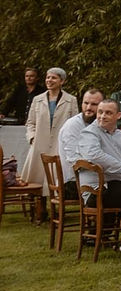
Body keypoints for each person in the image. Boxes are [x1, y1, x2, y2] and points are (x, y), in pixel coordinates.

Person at [23, 68, 79, 197]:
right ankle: (40, 209)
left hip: (58, 145)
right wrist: (32, 138)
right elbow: (30, 122)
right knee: (36, 178)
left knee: (56, 178)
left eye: (53, 78)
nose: (49, 80)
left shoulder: (71, 100)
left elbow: (74, 124)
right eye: (48, 77)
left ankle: (57, 209)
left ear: (62, 81)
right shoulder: (37, 99)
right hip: (39, 145)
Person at [76, 99, 121, 209]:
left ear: (118, 115)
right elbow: (95, 156)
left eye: (108, 113)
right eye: (100, 112)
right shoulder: (89, 133)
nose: (103, 116)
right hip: (97, 190)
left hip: (118, 184)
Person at [56, 89, 103, 199]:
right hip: (72, 183)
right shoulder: (72, 126)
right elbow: (74, 161)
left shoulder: (99, 124)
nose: (88, 108)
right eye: (86, 103)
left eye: (94, 104)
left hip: (93, 177)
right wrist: (104, 165)